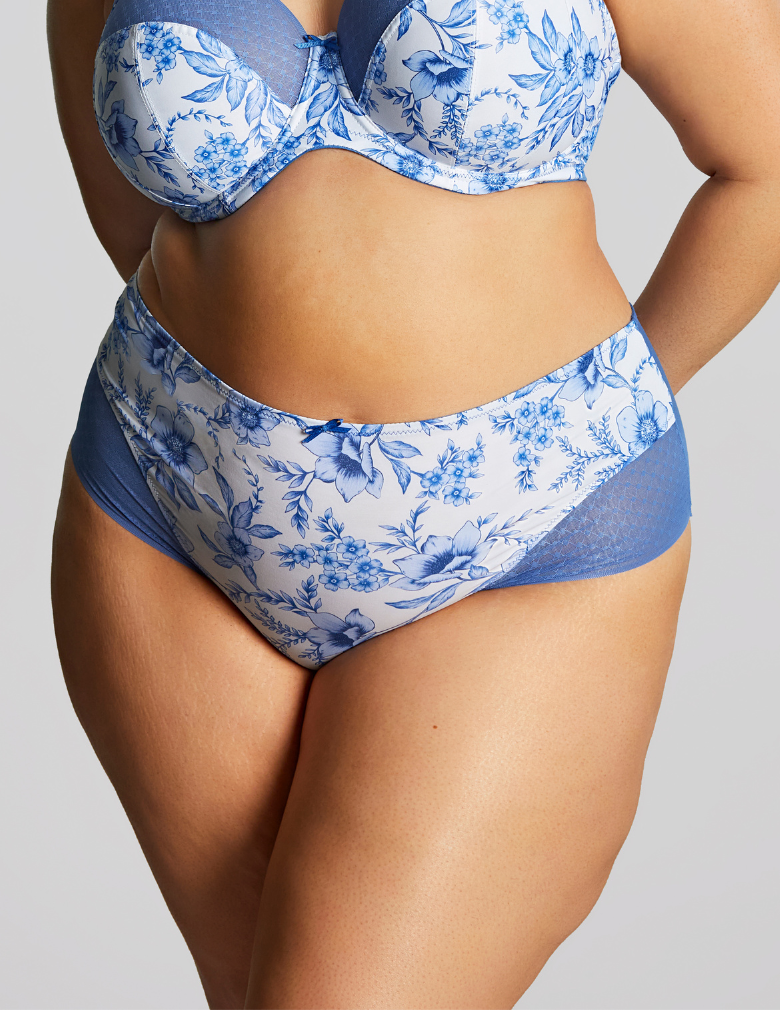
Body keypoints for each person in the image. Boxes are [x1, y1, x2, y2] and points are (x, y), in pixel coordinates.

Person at [48, 0, 780, 1006]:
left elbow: (765, 158)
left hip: (524, 530)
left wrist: (600, 410)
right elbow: (127, 206)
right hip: (171, 494)